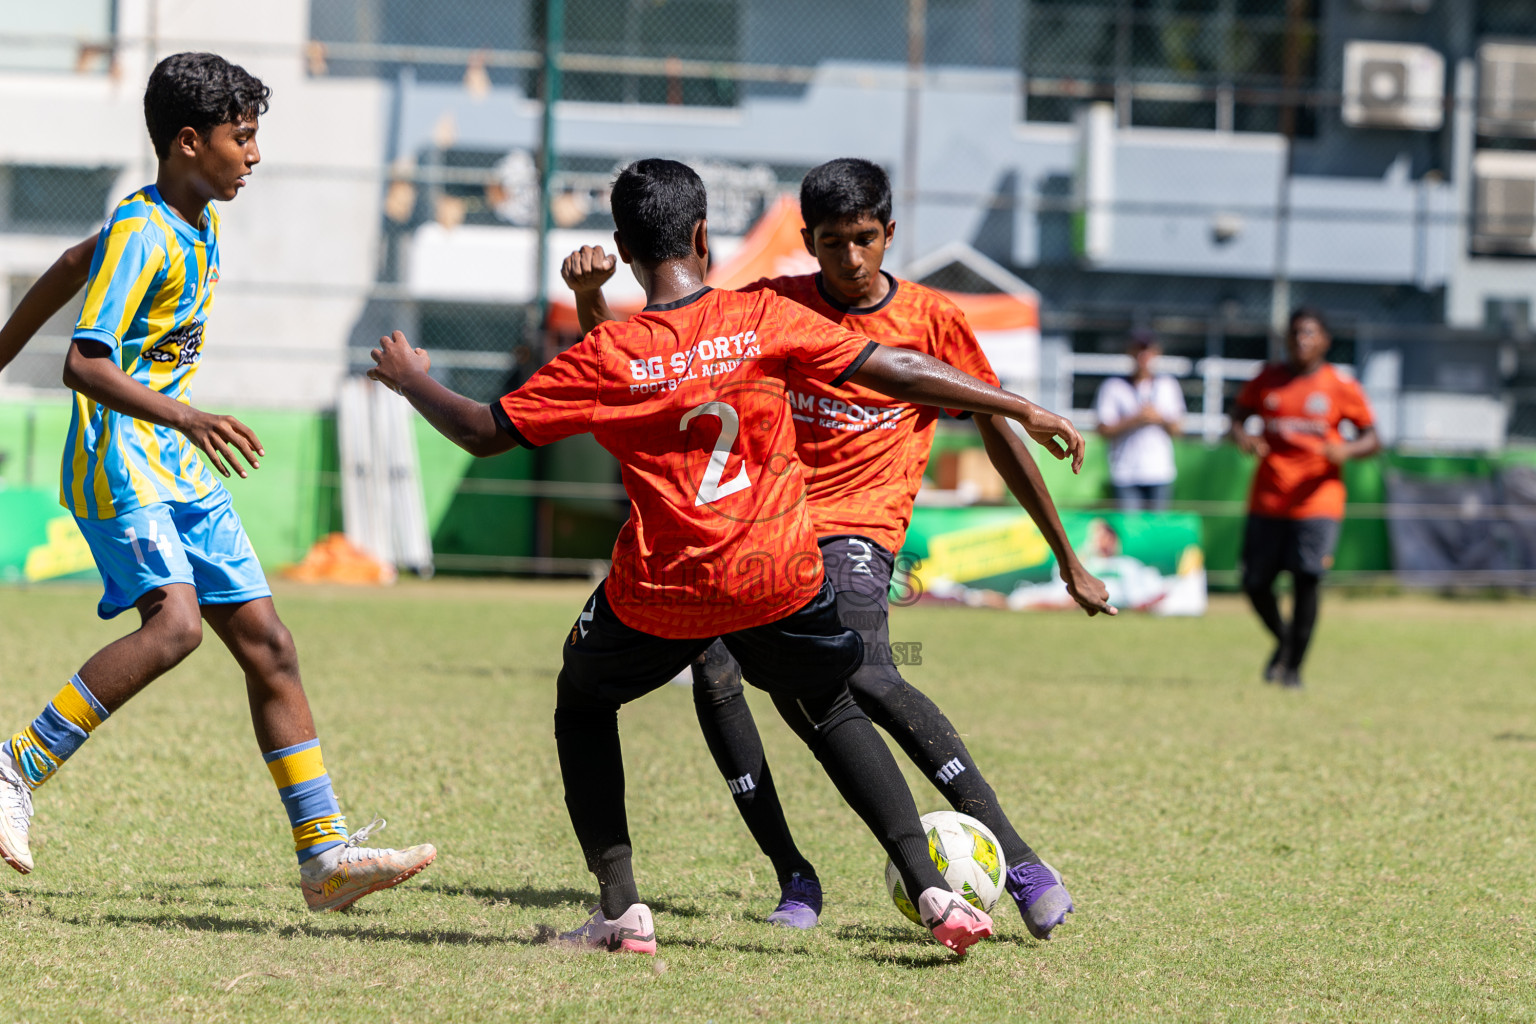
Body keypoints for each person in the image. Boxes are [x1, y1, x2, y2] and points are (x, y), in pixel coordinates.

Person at [368, 158, 1089, 956]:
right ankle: (929, 891)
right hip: (776, 576)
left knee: (583, 698)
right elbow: (891, 365)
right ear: (705, 235)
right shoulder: (759, 319)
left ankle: (621, 913)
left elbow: (481, 428)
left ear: (622, 247)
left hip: (664, 589)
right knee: (835, 701)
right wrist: (1020, 402)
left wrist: (410, 379)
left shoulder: (610, 353)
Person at [560, 157, 1114, 940]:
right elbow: (643, 370)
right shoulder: (767, 307)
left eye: (863, 240)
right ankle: (796, 876)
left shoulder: (932, 320)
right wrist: (591, 302)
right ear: (807, 242)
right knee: (718, 672)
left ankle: (1020, 860)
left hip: (857, 530)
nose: (851, 260)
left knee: (859, 670)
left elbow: (992, 428)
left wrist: (1068, 557)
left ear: (888, 233)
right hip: (763, 538)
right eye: (831, 243)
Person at [0, 52, 436, 911]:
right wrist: (187, 415)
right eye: (244, 138)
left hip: (171, 463)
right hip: (120, 459)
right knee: (176, 627)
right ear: (191, 142)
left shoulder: (185, 218)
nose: (256, 154)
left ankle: (324, 855)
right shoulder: (147, 229)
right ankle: (14, 767)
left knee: (270, 644)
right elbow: (85, 367)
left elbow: (71, 261)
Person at [1229, 308, 1379, 689]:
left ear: (1326, 340)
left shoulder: (1340, 385)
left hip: (1317, 500)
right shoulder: (1267, 379)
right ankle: (1285, 642)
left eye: (1310, 333)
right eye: (1296, 333)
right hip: (1269, 497)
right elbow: (1237, 417)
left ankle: (1293, 669)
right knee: (1254, 581)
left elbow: (1372, 438)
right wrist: (1242, 436)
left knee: (1306, 579)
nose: (1302, 340)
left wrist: (1347, 451)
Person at [1095, 330, 1185, 511]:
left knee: (1155, 532)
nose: (1143, 356)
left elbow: (1178, 429)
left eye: (1148, 351)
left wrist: (1158, 418)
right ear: (1130, 352)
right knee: (1130, 532)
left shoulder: (1168, 385)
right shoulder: (1113, 386)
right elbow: (1103, 429)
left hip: (1159, 472)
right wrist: (1135, 419)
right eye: (1139, 350)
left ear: (1157, 353)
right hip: (1125, 472)